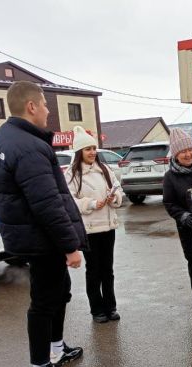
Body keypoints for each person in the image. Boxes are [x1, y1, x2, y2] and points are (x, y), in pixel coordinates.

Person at [0, 81, 87, 367]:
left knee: (60, 292)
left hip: (30, 237)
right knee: (44, 302)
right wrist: (70, 246)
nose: (47, 112)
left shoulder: (2, 140)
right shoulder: (28, 147)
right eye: (44, 105)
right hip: (41, 240)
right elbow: (47, 204)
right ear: (31, 107)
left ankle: (56, 349)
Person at [66, 126, 123, 324]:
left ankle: (111, 306)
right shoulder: (72, 174)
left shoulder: (105, 170)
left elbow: (118, 189)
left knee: (108, 269)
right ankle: (97, 309)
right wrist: (90, 203)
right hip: (89, 230)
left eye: (93, 148)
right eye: (87, 149)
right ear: (79, 152)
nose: (92, 152)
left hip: (108, 227)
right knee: (94, 270)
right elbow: (69, 199)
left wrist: (114, 197)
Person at [163, 128, 192, 311]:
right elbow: (169, 203)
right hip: (189, 229)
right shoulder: (170, 177)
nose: (188, 154)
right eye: (183, 151)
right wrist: (183, 216)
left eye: (190, 149)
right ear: (175, 154)